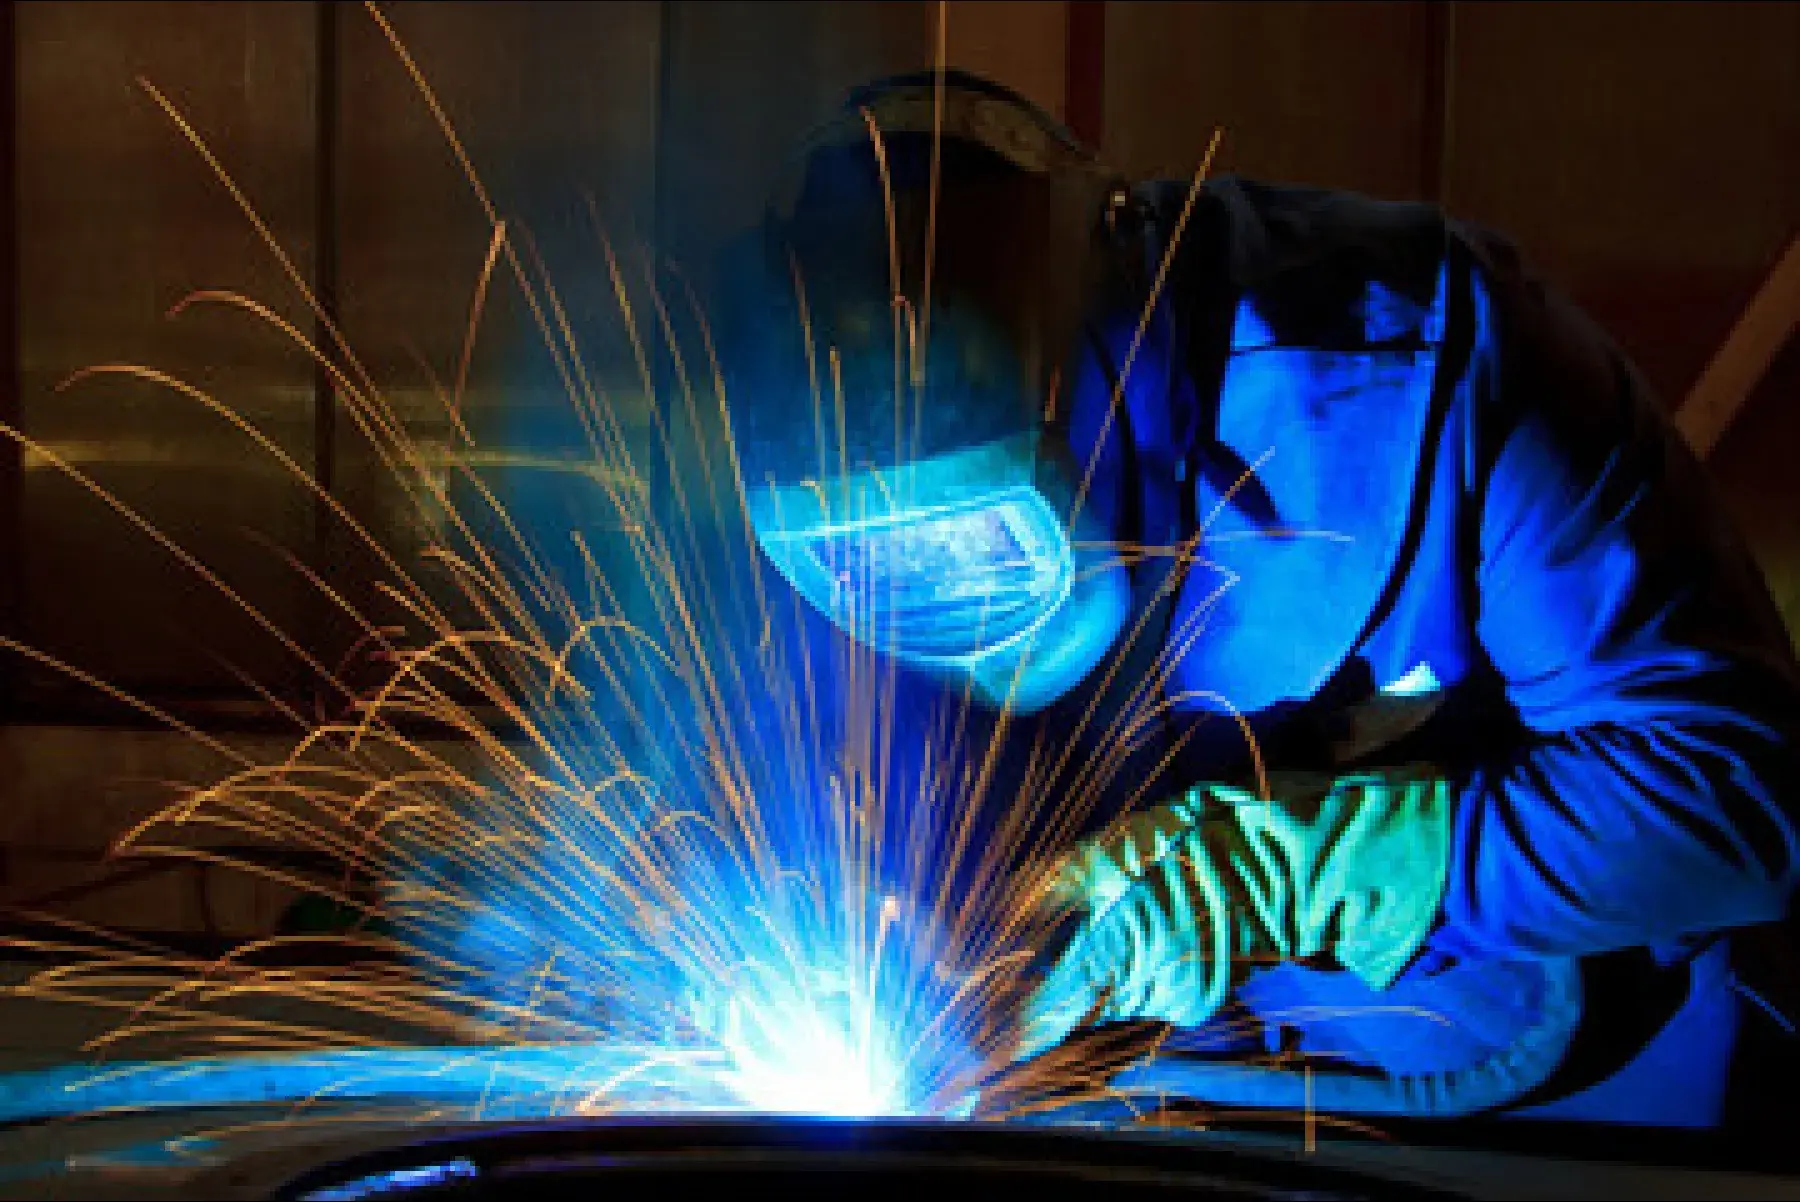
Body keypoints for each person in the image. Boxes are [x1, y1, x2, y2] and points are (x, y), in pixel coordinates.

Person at [710, 70, 1800, 1135]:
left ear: (1109, 379)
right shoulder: (813, 493)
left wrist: (1281, 877)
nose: (954, 592)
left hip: (1583, 1109)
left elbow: (1742, 793)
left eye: (974, 539)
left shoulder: (1437, 365)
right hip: (1178, 1100)